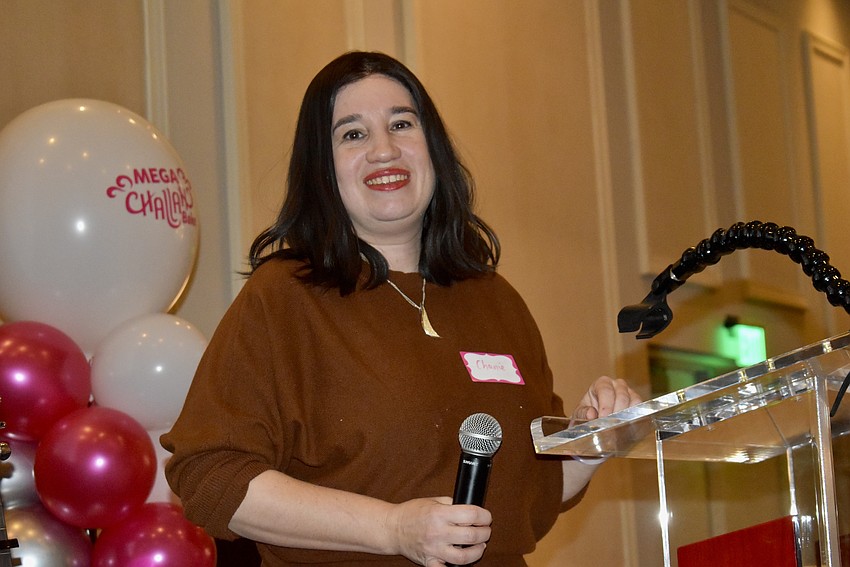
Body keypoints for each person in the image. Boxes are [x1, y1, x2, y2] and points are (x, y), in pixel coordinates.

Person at [161, 51, 640, 567]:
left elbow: (530, 498)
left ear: (431, 147)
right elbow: (210, 478)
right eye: (353, 134)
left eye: (401, 124)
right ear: (321, 169)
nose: (383, 150)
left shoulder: (496, 300)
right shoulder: (283, 299)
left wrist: (592, 444)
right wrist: (392, 529)